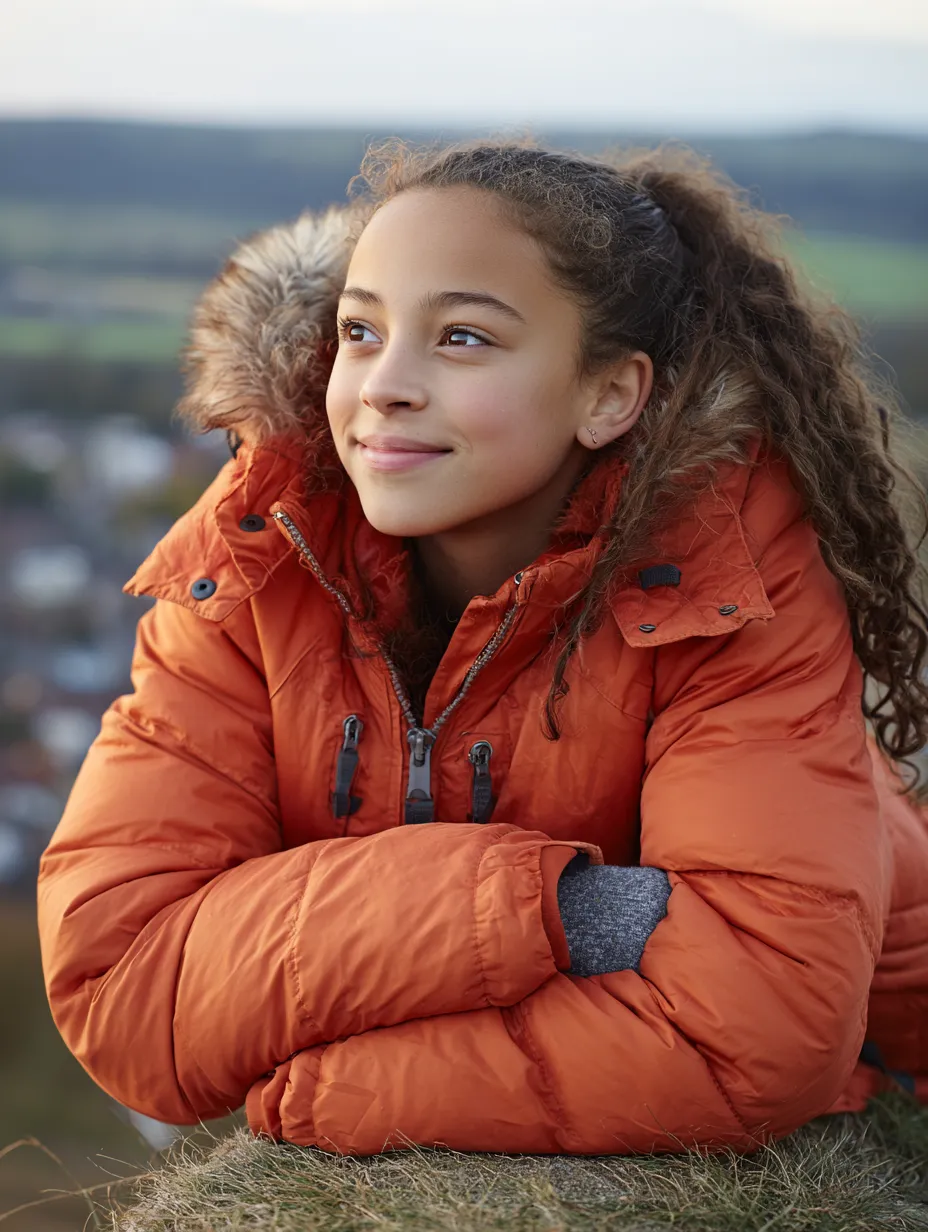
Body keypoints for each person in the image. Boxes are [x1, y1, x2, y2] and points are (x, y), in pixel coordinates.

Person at [37, 140, 928, 1156]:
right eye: (360, 330)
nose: (382, 385)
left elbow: (758, 1025)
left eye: (461, 337)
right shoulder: (254, 555)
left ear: (609, 394)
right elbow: (118, 981)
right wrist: (571, 911)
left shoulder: (727, 581)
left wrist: (329, 1086)